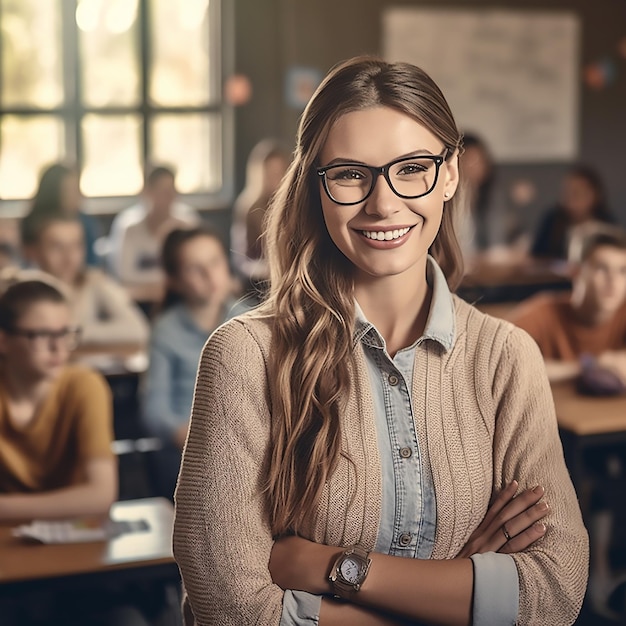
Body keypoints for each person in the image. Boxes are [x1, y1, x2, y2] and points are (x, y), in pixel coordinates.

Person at [173, 56, 588, 626]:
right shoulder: (245, 355)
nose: (383, 203)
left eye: (413, 167)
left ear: (451, 173)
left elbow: (554, 595)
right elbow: (234, 610)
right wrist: (461, 592)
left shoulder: (506, 357)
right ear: (314, 185)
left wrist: (330, 568)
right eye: (349, 174)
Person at [141, 227, 246, 498]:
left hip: (247, 443)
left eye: (215, 263)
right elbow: (155, 409)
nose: (210, 276)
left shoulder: (252, 318)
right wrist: (197, 440)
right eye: (194, 269)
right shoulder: (166, 329)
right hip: (188, 450)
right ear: (174, 280)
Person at [0, 278, 116, 520]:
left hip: (76, 535)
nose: (59, 348)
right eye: (41, 335)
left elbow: (101, 495)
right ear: (4, 340)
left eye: (65, 333)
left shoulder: (85, 385)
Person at [511, 224, 626, 384]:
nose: (613, 281)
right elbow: (503, 361)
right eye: (602, 268)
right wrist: (589, 366)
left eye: (622, 271)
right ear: (575, 271)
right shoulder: (544, 313)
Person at [22, 214, 149, 346]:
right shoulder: (22, 289)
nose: (69, 256)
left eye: (76, 246)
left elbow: (138, 329)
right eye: (57, 247)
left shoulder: (95, 281)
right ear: (34, 251)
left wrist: (74, 333)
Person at [107, 166, 200, 286]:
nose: (169, 197)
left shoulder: (187, 223)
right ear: (146, 193)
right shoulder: (127, 226)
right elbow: (123, 278)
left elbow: (195, 270)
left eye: (172, 191)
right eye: (162, 192)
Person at [230, 138, 291, 299]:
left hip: (289, 283)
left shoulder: (295, 206)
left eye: (279, 173)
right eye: (269, 173)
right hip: (257, 286)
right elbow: (240, 259)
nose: (275, 179)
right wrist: (264, 269)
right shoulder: (248, 206)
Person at [21, 163, 100, 266]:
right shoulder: (32, 225)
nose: (79, 195)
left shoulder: (85, 224)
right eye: (71, 190)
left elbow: (92, 265)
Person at [530, 164, 615, 261]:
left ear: (594, 194)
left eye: (576, 193)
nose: (570, 199)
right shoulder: (552, 219)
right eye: (566, 192)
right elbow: (535, 257)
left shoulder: (607, 224)